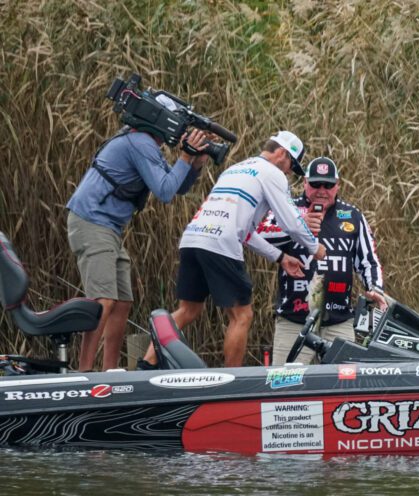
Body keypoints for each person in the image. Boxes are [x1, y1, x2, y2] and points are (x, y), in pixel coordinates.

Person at [138, 131, 327, 369]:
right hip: (220, 244)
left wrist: (280, 257)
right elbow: (291, 223)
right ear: (282, 153)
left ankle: (146, 365)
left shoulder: (236, 168)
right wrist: (315, 247)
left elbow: (245, 232)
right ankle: (232, 378)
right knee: (242, 316)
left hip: (193, 239)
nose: (289, 171)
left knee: (188, 310)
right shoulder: (272, 174)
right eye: (291, 164)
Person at [67, 95, 209, 372]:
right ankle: (83, 374)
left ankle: (111, 373)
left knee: (121, 302)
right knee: (103, 300)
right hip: (92, 220)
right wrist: (184, 155)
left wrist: (195, 163)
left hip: (107, 227)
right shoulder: (140, 142)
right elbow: (166, 192)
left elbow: (175, 185)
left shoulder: (142, 142)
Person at [248, 156, 386, 365]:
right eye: (315, 184)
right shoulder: (287, 208)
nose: (322, 190)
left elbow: (368, 260)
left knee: (344, 386)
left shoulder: (352, 215)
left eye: (328, 185)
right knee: (285, 387)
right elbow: (255, 234)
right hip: (294, 319)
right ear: (304, 183)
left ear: (337, 186)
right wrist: (296, 226)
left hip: (339, 320)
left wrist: (374, 288)